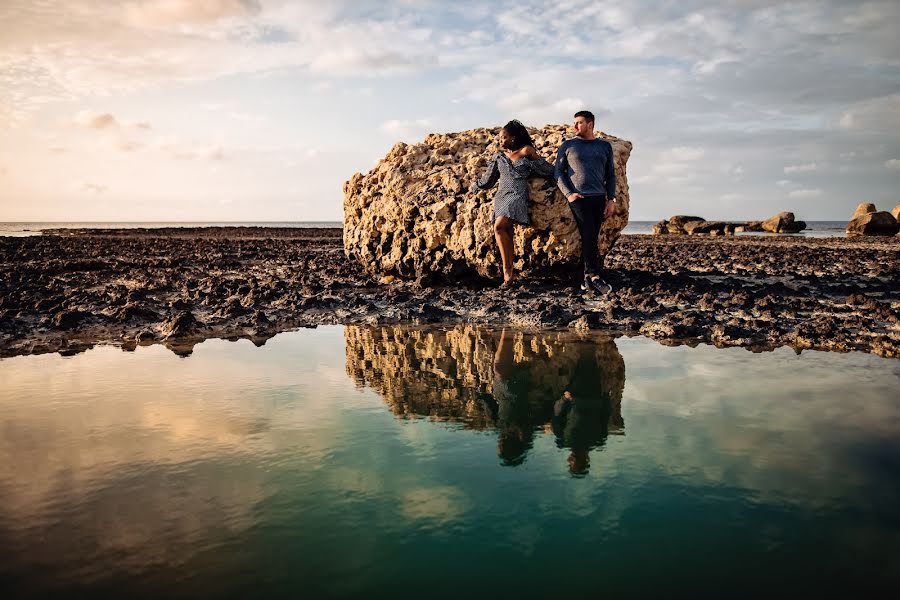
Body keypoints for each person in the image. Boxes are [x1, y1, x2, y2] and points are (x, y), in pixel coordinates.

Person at [472, 120, 554, 286]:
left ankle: (507, 271)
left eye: (504, 137)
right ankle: (509, 273)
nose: (500, 140)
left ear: (513, 138)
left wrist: (538, 158)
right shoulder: (499, 156)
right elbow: (489, 179)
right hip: (501, 196)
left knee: (499, 227)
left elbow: (547, 170)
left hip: (517, 195)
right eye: (500, 138)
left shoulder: (526, 151)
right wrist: (475, 187)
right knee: (506, 231)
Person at [555, 110, 617, 294]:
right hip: (578, 198)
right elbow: (558, 173)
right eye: (574, 122)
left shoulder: (604, 146)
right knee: (589, 233)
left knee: (592, 236)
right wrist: (569, 194)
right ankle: (594, 276)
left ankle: (586, 280)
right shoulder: (568, 145)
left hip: (598, 197)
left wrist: (611, 199)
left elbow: (610, 175)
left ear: (590, 125)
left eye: (579, 122)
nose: (575, 126)